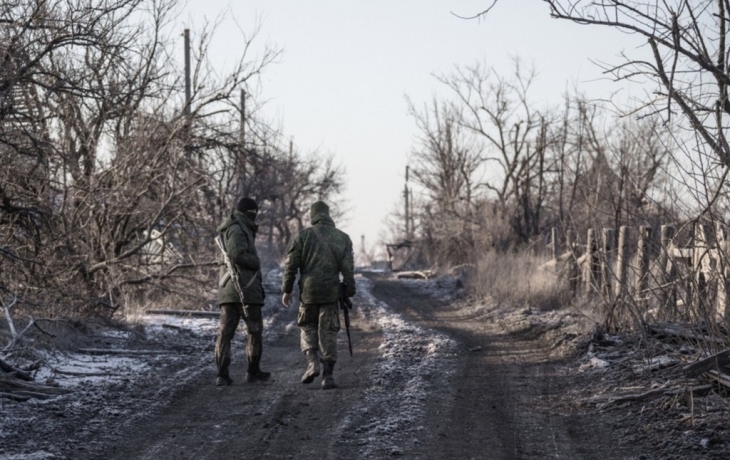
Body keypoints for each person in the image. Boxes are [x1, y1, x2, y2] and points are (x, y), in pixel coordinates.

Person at [281, 201, 356, 390]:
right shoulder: (343, 238)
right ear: (328, 215)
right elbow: (348, 268)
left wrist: (287, 289)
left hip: (308, 292)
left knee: (307, 326)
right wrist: (349, 290)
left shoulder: (303, 236)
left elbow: (290, 265)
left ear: (313, 215)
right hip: (331, 292)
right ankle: (327, 377)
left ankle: (312, 362)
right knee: (328, 331)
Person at [215, 197, 270, 386]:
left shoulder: (234, 226)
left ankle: (223, 375)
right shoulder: (239, 228)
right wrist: (256, 262)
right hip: (243, 289)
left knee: (226, 332)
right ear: (250, 213)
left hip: (231, 290)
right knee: (253, 330)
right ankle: (250, 372)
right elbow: (237, 254)